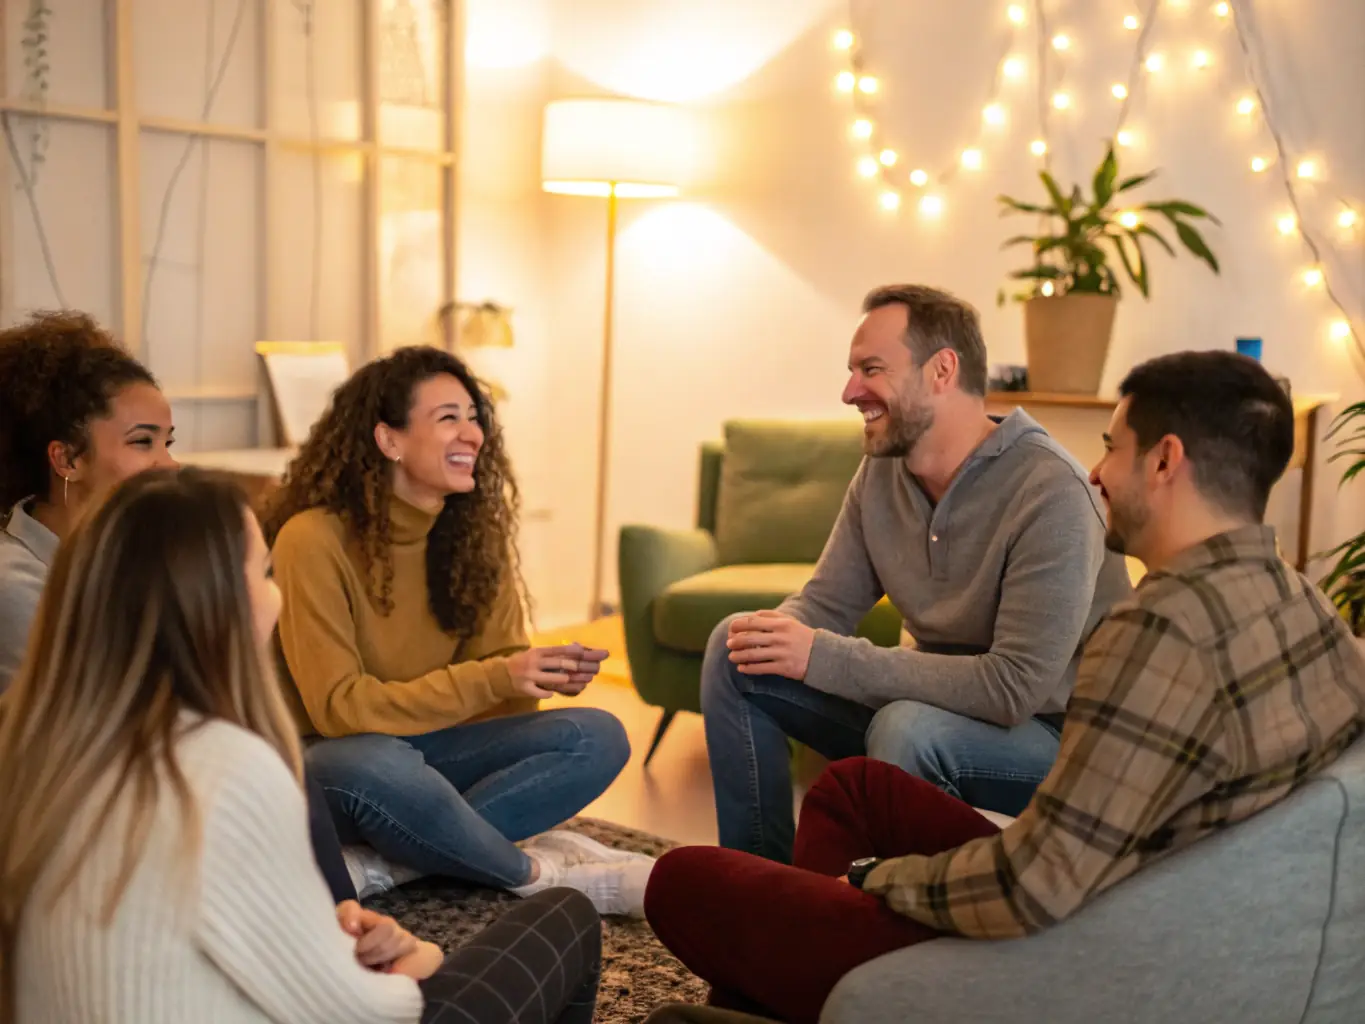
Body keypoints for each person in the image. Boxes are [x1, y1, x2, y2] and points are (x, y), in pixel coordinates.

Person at [645, 350, 1365, 1023]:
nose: (1096, 472)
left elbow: (1034, 884)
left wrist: (872, 882)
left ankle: (788, 971)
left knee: (683, 881)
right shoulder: (1305, 604)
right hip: (1128, 884)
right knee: (854, 788)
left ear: (1164, 461)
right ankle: (787, 975)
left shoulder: (1158, 630)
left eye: (1112, 447)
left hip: (1067, 933)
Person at [0, 468, 604, 1024]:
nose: (276, 594)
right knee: (564, 919)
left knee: (591, 735)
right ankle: (518, 870)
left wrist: (325, 934)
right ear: (216, 606)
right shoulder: (225, 765)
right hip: (356, 767)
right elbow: (356, 1011)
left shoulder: (34, 743)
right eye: (262, 574)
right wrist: (421, 959)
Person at [704, 284, 1132, 861]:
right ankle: (761, 883)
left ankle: (875, 923)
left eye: (871, 369)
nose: (850, 391)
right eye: (853, 371)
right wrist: (777, 635)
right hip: (925, 713)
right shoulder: (882, 473)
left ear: (942, 370)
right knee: (734, 648)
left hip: (1054, 738)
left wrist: (822, 656)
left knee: (907, 729)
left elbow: (1013, 690)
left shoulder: (1052, 491)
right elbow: (825, 605)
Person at [263, 345, 647, 915]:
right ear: (388, 440)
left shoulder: (469, 538)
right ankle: (535, 872)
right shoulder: (311, 540)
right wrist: (498, 676)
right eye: (449, 418)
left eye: (475, 418)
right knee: (375, 763)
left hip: (428, 753)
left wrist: (535, 677)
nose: (472, 434)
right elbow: (338, 710)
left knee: (598, 736)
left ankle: (388, 865)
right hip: (336, 760)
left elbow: (499, 692)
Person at [0, 311, 363, 906]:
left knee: (334, 768)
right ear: (67, 459)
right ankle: (338, 917)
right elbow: (101, 736)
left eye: (168, 442)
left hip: (159, 780)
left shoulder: (118, 555)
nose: (167, 463)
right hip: (80, 821)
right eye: (142, 443)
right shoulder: (18, 585)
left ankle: (339, 906)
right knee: (288, 761)